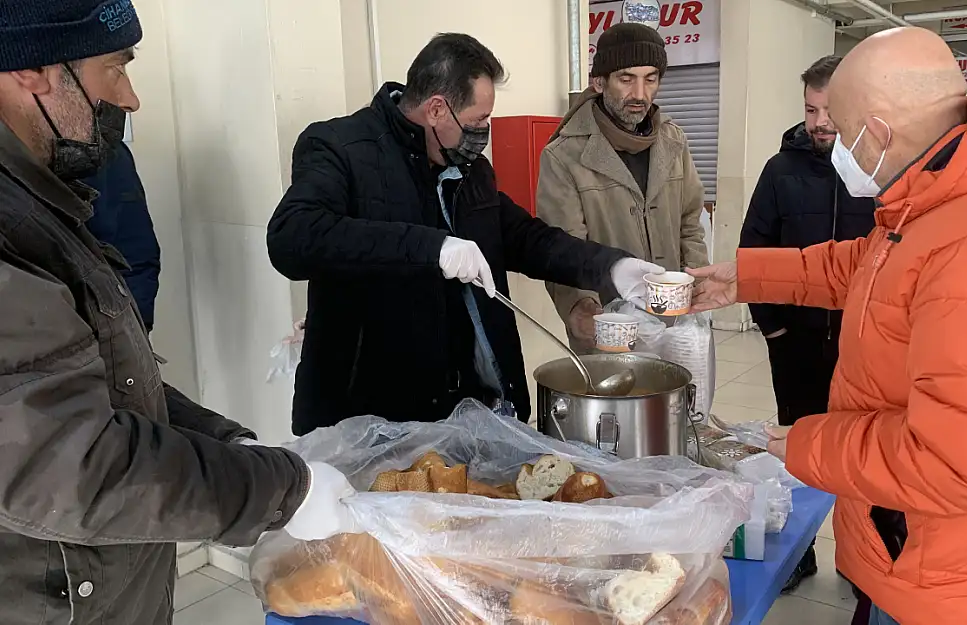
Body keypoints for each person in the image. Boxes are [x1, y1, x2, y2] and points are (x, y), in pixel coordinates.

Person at [687, 27, 967, 625]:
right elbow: (872, 264)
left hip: (965, 585)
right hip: (924, 553)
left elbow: (963, 459)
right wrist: (748, 276)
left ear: (877, 133)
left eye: (841, 128)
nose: (834, 146)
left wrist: (809, 443)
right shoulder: (955, 187)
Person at [0, 3, 359, 623]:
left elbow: (104, 380)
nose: (131, 98)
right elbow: (72, 465)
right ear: (34, 69)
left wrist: (228, 441)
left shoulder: (40, 203)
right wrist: (281, 492)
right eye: (115, 68)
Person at [267, 33, 661, 435]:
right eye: (477, 122)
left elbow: (527, 239)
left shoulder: (470, 170)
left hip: (472, 409)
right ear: (436, 108)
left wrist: (613, 267)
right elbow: (292, 236)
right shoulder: (340, 148)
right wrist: (431, 247)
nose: (483, 134)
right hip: (372, 420)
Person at [738, 54, 876, 595]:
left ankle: (862, 559)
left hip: (862, 346)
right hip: (793, 342)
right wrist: (771, 327)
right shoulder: (782, 170)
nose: (819, 122)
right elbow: (753, 247)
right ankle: (798, 552)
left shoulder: (875, 172)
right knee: (796, 448)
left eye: (829, 110)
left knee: (862, 452)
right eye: (810, 109)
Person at [536, 22, 708, 353]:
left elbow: (690, 222)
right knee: (617, 405)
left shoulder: (674, 141)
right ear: (600, 81)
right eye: (627, 79)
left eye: (651, 79)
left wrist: (695, 280)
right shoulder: (564, 155)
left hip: (675, 321)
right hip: (608, 328)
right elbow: (560, 247)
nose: (640, 95)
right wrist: (580, 307)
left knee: (676, 404)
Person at [82, 141, 160, 331]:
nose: (132, 108)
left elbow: (136, 253)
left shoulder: (107, 152)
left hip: (101, 329)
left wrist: (139, 328)